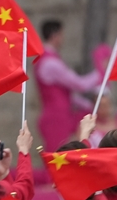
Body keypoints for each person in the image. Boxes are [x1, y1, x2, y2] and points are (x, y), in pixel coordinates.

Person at [34, 20, 103, 153]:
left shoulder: (50, 59)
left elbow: (66, 94)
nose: (63, 38)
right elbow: (80, 85)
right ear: (55, 36)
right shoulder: (50, 63)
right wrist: (101, 72)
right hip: (56, 118)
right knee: (56, 160)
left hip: (60, 115)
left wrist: (85, 105)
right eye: (61, 35)